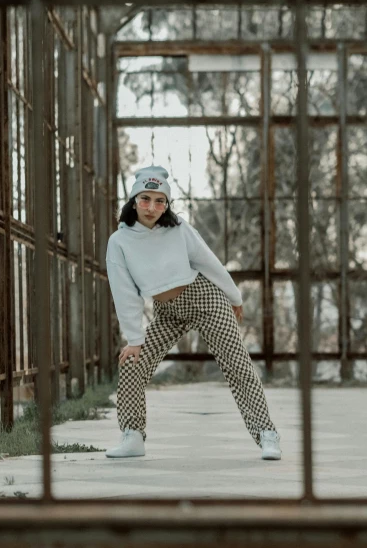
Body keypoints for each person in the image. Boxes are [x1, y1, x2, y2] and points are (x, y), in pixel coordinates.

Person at [105, 165, 281, 461]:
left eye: (160, 201)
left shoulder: (178, 229)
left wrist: (233, 296)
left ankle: (266, 434)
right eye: (145, 199)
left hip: (204, 298)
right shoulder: (119, 242)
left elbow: (207, 261)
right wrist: (134, 338)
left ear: (167, 204)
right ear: (134, 200)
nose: (152, 207)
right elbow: (125, 294)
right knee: (132, 363)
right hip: (167, 311)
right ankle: (133, 435)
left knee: (237, 362)